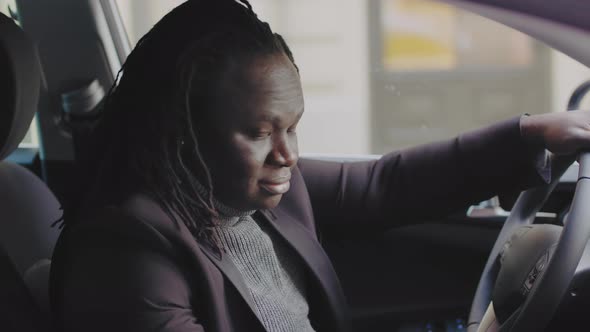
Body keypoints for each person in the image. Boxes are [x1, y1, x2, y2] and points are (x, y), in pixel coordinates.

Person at [49, 0, 590, 331]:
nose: (288, 155)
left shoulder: (242, 192)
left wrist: (528, 136)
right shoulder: (124, 253)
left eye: (293, 126)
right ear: (182, 134)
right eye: (261, 133)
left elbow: (384, 184)